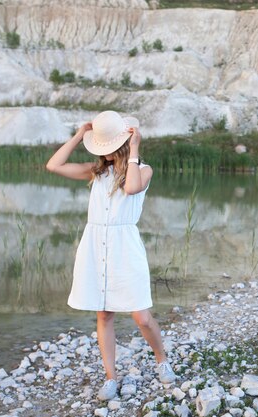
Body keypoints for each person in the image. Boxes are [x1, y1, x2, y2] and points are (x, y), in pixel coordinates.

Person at [46, 110, 176, 401]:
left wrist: (134, 150)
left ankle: (161, 359)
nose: (102, 153)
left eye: (106, 147)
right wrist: (80, 134)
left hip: (124, 247)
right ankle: (110, 377)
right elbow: (53, 165)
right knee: (103, 314)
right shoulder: (96, 172)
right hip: (95, 245)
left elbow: (131, 187)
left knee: (141, 316)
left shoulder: (143, 169)